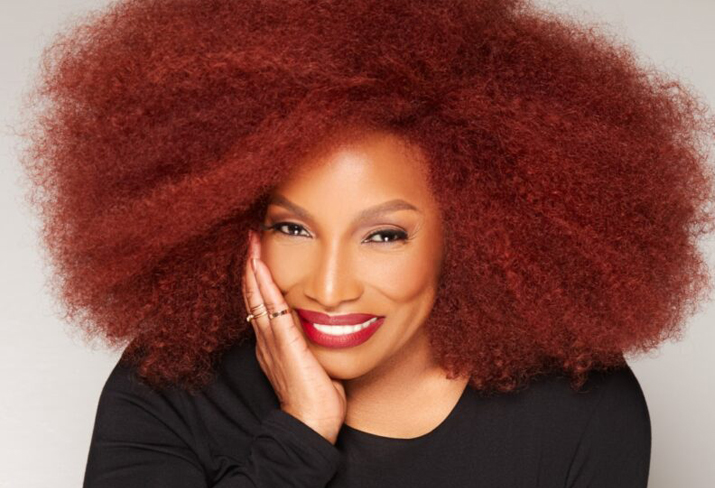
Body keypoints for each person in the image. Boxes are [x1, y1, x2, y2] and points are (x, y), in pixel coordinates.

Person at [19, 0, 715, 487]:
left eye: (384, 235)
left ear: (476, 232)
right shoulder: (171, 387)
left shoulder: (579, 410)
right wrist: (299, 436)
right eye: (292, 228)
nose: (329, 287)